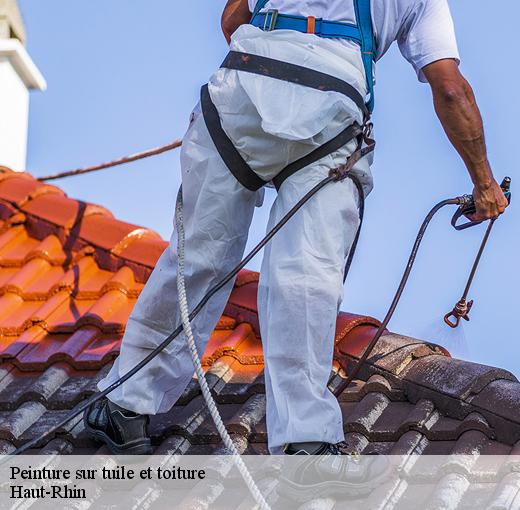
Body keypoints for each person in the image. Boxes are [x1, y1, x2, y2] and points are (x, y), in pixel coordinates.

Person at [85, 0, 508, 464]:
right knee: (306, 279)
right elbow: (450, 89)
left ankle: (127, 403)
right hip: (331, 112)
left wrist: (275, 81)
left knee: (200, 256)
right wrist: (484, 184)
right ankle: (305, 443)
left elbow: (232, 20)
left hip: (243, 91)